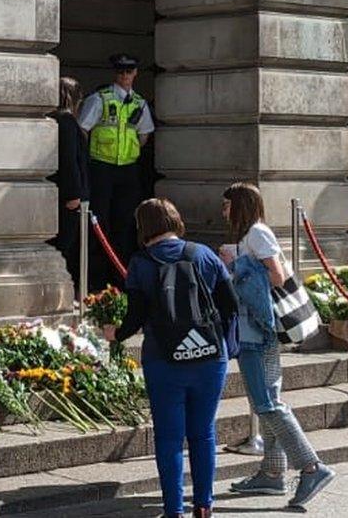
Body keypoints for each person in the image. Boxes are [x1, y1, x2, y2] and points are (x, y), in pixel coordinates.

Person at [103, 198, 238, 518]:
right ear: (175, 221)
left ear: (144, 227)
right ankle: (204, 506)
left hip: (163, 359)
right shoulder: (203, 254)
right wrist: (222, 341)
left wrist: (115, 335)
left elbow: (134, 318)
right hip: (209, 357)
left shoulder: (141, 262)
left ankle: (173, 510)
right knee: (204, 433)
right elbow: (231, 304)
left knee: (169, 437)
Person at [218, 182, 335, 509]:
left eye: (227, 205)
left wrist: (235, 264)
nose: (223, 211)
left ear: (239, 205)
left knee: (267, 402)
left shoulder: (257, 234)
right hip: (254, 327)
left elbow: (278, 276)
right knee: (265, 400)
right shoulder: (250, 236)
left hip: (259, 328)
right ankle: (272, 473)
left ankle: (312, 466)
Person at [78, 53, 155, 290]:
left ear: (135, 73)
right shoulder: (100, 99)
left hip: (127, 170)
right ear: (116, 73)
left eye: (129, 72)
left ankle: (121, 278)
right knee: (99, 223)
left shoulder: (139, 103)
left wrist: (128, 152)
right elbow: (82, 129)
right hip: (101, 167)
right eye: (121, 72)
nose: (124, 76)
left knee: (125, 224)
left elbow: (144, 135)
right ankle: (96, 281)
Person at [48, 76, 90, 285]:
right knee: (66, 245)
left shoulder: (55, 120)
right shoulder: (66, 121)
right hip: (68, 197)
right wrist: (74, 193)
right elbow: (69, 160)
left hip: (59, 194)